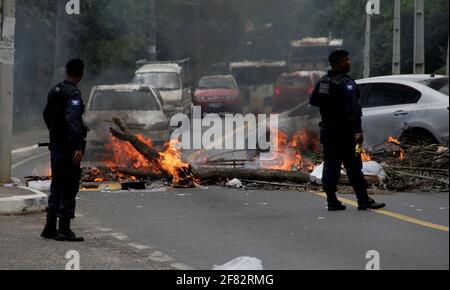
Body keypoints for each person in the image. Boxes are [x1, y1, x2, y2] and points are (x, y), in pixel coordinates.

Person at [310, 50, 385, 211]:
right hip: (345, 133)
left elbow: (314, 101)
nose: (349, 62)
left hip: (328, 132)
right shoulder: (346, 83)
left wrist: (329, 106)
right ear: (338, 63)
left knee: (330, 166)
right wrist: (358, 131)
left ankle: (332, 201)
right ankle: (363, 200)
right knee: (354, 166)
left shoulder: (324, 82)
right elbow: (353, 110)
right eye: (346, 60)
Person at [41, 59, 88, 241]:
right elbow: (73, 121)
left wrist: (54, 132)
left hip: (56, 146)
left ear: (67, 72)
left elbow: (46, 114)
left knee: (57, 185)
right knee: (69, 186)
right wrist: (77, 146)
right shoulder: (73, 94)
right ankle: (64, 229)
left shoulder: (55, 90)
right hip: (69, 148)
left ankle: (50, 227)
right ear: (80, 74)